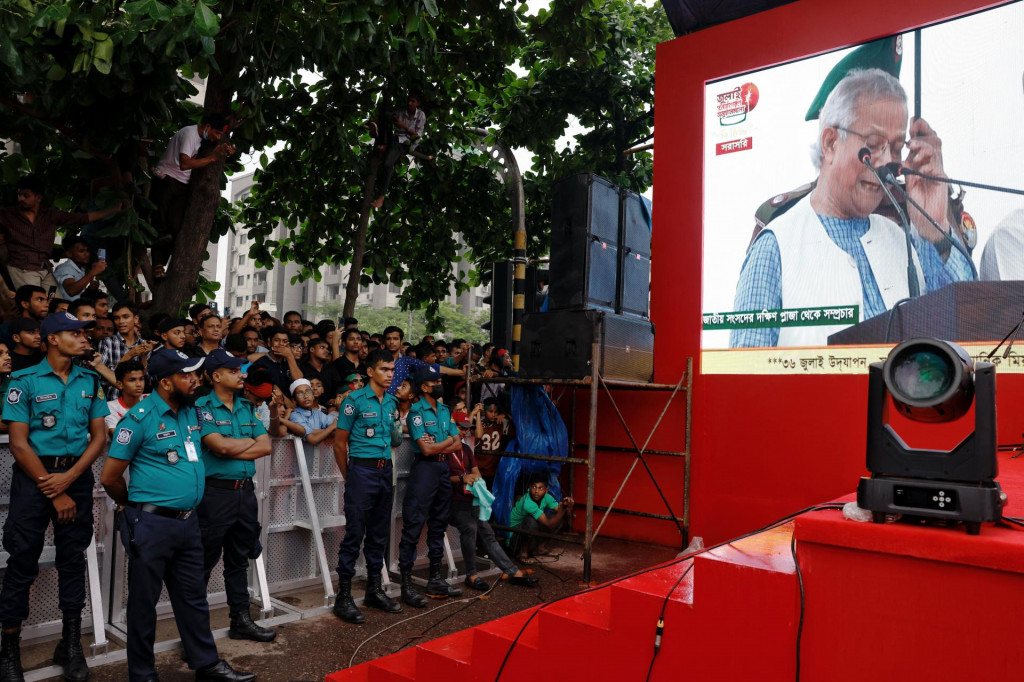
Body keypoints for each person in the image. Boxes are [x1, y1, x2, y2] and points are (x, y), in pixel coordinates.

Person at [730, 68, 974, 348]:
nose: (885, 162)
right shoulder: (776, 247)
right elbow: (742, 379)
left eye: (895, 148)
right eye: (873, 145)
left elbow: (963, 331)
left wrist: (935, 227)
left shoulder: (904, 239)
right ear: (831, 142)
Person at [99, 349, 256, 682]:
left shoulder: (191, 414)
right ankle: (142, 674)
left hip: (189, 522)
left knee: (193, 598)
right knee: (144, 604)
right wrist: (131, 507)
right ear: (167, 381)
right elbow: (110, 477)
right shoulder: (139, 419)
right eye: (187, 375)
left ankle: (206, 664)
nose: (194, 380)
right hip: (152, 524)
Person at [0, 312, 107, 682]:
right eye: (73, 333)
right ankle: (9, 651)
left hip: (74, 476)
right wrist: (52, 486)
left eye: (83, 332)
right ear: (51, 339)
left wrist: (71, 479)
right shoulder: (23, 380)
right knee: (21, 562)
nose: (82, 338)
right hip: (34, 479)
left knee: (72, 560)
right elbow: (18, 442)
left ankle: (71, 645)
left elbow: (99, 437)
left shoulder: (90, 381)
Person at [195, 349, 276, 643]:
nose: (241, 374)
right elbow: (219, 447)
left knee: (239, 559)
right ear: (216, 376)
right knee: (203, 562)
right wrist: (237, 445)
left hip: (245, 492)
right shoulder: (202, 407)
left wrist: (231, 445)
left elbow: (266, 446)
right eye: (234, 370)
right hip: (215, 494)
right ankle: (197, 632)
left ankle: (240, 620)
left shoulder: (246, 406)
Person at [331, 349, 402, 624]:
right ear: (370, 371)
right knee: (354, 535)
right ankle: (344, 597)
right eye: (385, 369)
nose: (390, 375)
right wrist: (351, 477)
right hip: (362, 470)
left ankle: (374, 590)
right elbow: (339, 444)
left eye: (392, 370)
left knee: (378, 535)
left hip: (386, 471)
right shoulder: (354, 401)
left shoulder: (392, 402)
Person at [446, 410, 537, 591]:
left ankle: (512, 571)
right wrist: (463, 478)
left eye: (466, 429)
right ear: (450, 426)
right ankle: (471, 574)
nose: (464, 432)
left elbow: (476, 472)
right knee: (471, 528)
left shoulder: (465, 449)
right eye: (460, 428)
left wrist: (472, 478)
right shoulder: (444, 449)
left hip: (470, 500)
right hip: (451, 502)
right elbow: (441, 478)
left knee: (487, 532)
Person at [398, 365, 463, 607]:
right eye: (435, 381)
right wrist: (447, 441)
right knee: (414, 525)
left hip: (443, 470)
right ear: (425, 387)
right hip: (424, 470)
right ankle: (406, 584)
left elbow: (459, 446)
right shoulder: (417, 412)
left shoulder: (445, 410)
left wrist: (440, 443)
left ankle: (435, 578)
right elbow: (427, 449)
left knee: (439, 524)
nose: (440, 384)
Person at [0, 176, 121, 290]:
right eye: (19, 195)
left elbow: (82, 218)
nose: (21, 198)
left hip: (44, 268)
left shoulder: (50, 215)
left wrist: (112, 210)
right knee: (34, 303)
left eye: (25, 195)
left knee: (57, 303)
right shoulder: (7, 214)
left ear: (38, 198)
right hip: (21, 267)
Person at [151, 114, 235, 266]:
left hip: (182, 184)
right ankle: (157, 265)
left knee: (176, 228)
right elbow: (184, 164)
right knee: (160, 227)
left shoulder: (203, 138)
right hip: (167, 179)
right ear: (207, 126)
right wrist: (212, 158)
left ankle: (161, 265)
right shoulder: (189, 133)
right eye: (216, 133)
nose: (216, 138)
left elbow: (214, 149)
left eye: (220, 135)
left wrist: (224, 151)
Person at [369, 93, 427, 208]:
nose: (409, 103)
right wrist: (375, 122)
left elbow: (417, 136)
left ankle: (381, 196)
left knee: (387, 163)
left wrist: (403, 126)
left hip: (407, 142)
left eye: (412, 101)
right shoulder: (401, 111)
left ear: (418, 103)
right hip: (394, 138)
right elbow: (387, 117)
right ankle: (382, 141)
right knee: (386, 115)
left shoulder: (421, 115)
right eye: (409, 101)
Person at [509, 474, 574, 560]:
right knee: (531, 521)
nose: (536, 491)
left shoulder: (547, 497)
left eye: (541, 488)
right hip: (515, 540)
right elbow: (549, 524)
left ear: (546, 490)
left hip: (529, 535)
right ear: (529, 488)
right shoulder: (527, 502)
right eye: (534, 487)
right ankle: (523, 553)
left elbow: (563, 512)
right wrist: (563, 508)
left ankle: (540, 548)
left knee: (558, 516)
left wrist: (567, 505)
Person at [99, 303, 153, 400]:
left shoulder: (143, 344)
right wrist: (129, 355)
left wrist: (144, 357)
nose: (121, 321)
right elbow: (103, 379)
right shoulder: (107, 342)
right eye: (116, 318)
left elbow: (145, 379)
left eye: (125, 317)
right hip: (113, 401)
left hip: (138, 403)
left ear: (136, 319)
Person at [279, 378, 336, 444]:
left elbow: (337, 427)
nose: (305, 396)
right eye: (300, 394)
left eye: (308, 392)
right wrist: (330, 428)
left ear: (313, 396)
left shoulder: (318, 413)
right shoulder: (294, 415)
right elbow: (313, 440)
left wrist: (318, 431)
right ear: (294, 400)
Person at [251, 326, 303, 395]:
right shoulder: (260, 363)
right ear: (269, 342)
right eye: (277, 340)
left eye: (285, 341)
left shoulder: (290, 360)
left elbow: (299, 382)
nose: (281, 344)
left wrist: (290, 356)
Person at [54, 237, 106, 302]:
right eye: (81, 251)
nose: (86, 254)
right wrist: (93, 272)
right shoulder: (65, 268)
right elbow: (71, 291)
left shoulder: (80, 268)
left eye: (87, 250)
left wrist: (90, 289)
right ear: (69, 254)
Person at [105, 360, 148, 436]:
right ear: (119, 384)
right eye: (132, 380)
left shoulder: (151, 399)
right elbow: (119, 438)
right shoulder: (110, 408)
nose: (139, 384)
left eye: (141, 379)